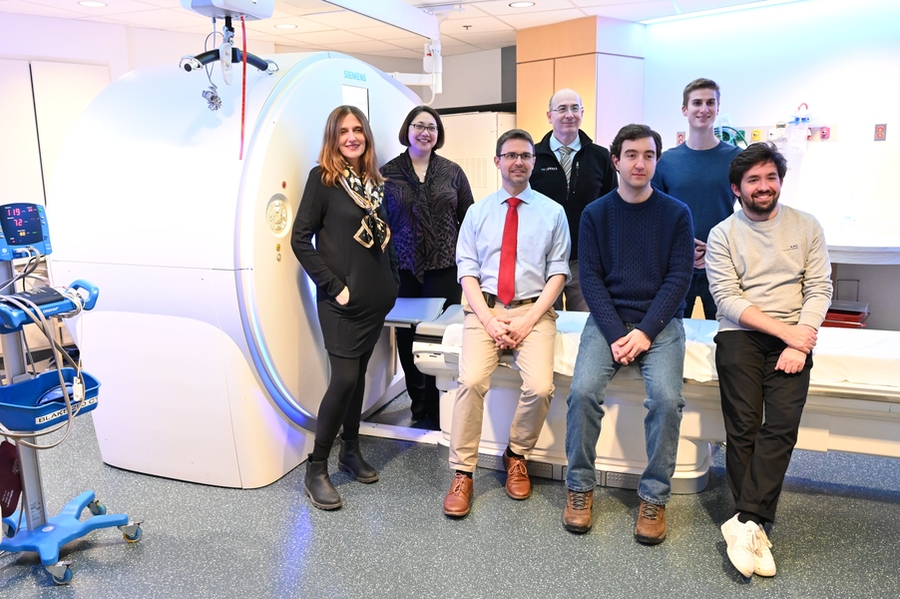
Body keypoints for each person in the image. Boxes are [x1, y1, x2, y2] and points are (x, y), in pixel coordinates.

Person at [563, 124, 694, 545]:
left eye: (650, 155)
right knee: (582, 392)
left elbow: (679, 279)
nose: (641, 163)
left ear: (657, 160)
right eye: (632, 154)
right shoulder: (596, 213)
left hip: (661, 322)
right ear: (615, 160)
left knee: (668, 401)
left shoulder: (676, 213)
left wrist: (645, 334)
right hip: (608, 321)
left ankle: (654, 497)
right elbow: (592, 280)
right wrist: (620, 333)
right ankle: (579, 488)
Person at [706, 142, 832, 578]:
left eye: (770, 178)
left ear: (780, 180)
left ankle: (744, 523)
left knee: (780, 426)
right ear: (737, 189)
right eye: (753, 180)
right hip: (741, 332)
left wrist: (801, 342)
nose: (764, 187)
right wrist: (787, 334)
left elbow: (820, 287)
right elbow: (727, 299)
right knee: (742, 425)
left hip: (795, 337)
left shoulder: (806, 225)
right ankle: (755, 524)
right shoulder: (724, 233)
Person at [442, 129, 571, 518]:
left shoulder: (553, 213)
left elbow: (558, 274)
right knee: (471, 382)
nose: (518, 162)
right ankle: (463, 472)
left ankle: (516, 454)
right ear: (498, 161)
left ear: (534, 162)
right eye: (510, 155)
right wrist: (489, 319)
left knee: (540, 386)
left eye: (526, 156)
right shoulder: (477, 212)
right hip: (486, 309)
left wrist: (528, 320)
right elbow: (467, 271)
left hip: (534, 310)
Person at [291, 105, 400, 511]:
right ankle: (316, 467)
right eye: (343, 132)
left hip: (375, 300)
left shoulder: (374, 181)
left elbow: (383, 236)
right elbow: (300, 240)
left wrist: (391, 282)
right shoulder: (322, 181)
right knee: (343, 379)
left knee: (357, 380)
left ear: (366, 136)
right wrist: (334, 287)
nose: (351, 137)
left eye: (357, 130)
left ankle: (350, 452)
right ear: (332, 138)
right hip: (341, 303)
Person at [381, 106, 474, 429]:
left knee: (441, 335)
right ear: (407, 130)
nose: (425, 132)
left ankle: (441, 404)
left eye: (432, 127)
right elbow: (379, 223)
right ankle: (418, 403)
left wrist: (468, 262)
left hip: (444, 267)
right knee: (407, 339)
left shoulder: (452, 172)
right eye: (419, 126)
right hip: (403, 270)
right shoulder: (387, 173)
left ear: (439, 134)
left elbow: (469, 218)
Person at [652, 78, 742, 319]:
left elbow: (749, 216)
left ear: (718, 108)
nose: (704, 109)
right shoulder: (666, 162)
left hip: (723, 266)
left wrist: (713, 249)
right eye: (697, 103)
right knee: (673, 335)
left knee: (726, 335)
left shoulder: (737, 159)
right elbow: (655, 217)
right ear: (685, 110)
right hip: (676, 268)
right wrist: (684, 250)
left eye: (710, 103)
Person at [530, 88, 617, 312]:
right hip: (543, 259)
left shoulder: (601, 157)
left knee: (587, 325)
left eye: (575, 108)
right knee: (547, 323)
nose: (569, 114)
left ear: (582, 113)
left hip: (586, 260)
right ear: (550, 116)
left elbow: (612, 207)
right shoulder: (532, 157)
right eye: (562, 109)